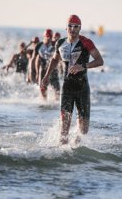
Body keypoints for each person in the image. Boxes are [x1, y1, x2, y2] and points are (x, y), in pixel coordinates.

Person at [41, 15, 104, 145]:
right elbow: (54, 60)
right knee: (65, 125)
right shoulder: (60, 43)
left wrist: (83, 66)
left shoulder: (86, 42)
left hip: (82, 88)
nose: (73, 29)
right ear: (66, 27)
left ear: (80, 28)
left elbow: (100, 61)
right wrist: (47, 75)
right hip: (67, 87)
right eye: (70, 26)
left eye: (76, 26)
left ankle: (75, 148)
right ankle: (61, 153)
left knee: (83, 130)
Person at [33, 29, 60, 100]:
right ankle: (44, 102)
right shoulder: (39, 46)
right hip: (43, 70)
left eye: (50, 38)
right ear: (44, 37)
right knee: (43, 90)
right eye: (47, 38)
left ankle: (56, 103)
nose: (48, 40)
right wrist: (35, 72)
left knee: (57, 91)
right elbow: (34, 60)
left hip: (53, 69)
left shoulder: (55, 44)